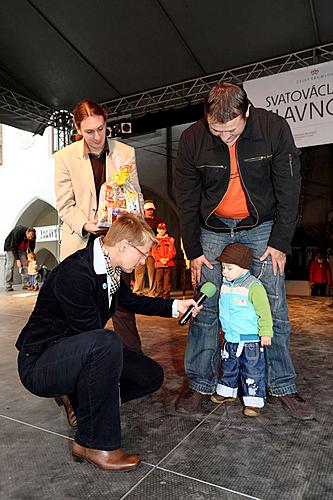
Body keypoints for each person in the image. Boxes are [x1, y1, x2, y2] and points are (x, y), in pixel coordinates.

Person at [16, 214, 201, 471]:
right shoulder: (76, 273)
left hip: (74, 351)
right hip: (41, 361)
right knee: (106, 343)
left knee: (149, 375)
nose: (144, 260)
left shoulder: (111, 268)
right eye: (142, 253)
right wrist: (104, 382)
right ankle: (92, 442)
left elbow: (131, 301)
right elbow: (90, 334)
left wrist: (175, 306)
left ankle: (82, 406)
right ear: (124, 245)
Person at [174, 82, 314, 420]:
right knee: (204, 307)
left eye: (232, 130)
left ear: (246, 113)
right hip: (213, 229)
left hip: (261, 227)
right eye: (216, 130)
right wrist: (193, 249)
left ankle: (282, 385)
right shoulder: (192, 139)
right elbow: (186, 199)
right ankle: (200, 383)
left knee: (274, 307)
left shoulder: (273, 128)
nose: (224, 137)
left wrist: (280, 242)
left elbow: (289, 189)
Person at [55, 99, 142, 352]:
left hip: (118, 242)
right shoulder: (64, 158)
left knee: (123, 308)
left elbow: (135, 197)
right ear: (77, 128)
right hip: (82, 241)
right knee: (81, 311)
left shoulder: (125, 153)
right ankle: (78, 366)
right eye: (89, 131)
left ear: (106, 123)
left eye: (101, 129)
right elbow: (64, 206)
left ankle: (132, 366)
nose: (96, 137)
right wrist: (86, 224)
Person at [211, 243, 273, 417]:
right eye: (223, 267)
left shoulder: (254, 286)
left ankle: (253, 401)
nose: (224, 272)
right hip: (230, 338)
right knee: (228, 366)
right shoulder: (226, 284)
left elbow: (264, 312)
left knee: (252, 370)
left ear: (244, 267)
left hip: (250, 341)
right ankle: (226, 392)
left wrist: (266, 332)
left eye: (229, 268)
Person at [133, 200, 164, 296]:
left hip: (152, 248)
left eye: (151, 209)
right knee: (139, 269)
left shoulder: (158, 221)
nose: (150, 211)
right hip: (140, 247)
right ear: (144, 210)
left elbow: (162, 232)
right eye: (148, 209)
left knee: (151, 271)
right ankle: (138, 290)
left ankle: (152, 290)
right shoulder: (139, 221)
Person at [4, 226, 36, 291]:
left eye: (31, 237)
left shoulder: (32, 236)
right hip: (11, 247)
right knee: (10, 265)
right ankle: (8, 285)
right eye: (29, 237)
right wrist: (17, 259)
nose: (30, 239)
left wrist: (30, 256)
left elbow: (32, 246)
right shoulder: (18, 231)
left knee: (26, 264)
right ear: (27, 232)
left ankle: (26, 283)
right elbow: (13, 246)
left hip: (21, 248)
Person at [152, 222, 176, 299]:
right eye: (160, 229)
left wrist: (168, 259)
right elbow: (154, 252)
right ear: (157, 230)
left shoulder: (170, 240)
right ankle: (159, 295)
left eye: (163, 229)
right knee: (158, 280)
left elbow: (172, 251)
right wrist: (160, 259)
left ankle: (166, 295)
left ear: (166, 230)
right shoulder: (155, 240)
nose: (162, 231)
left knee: (167, 280)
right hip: (159, 264)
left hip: (168, 263)